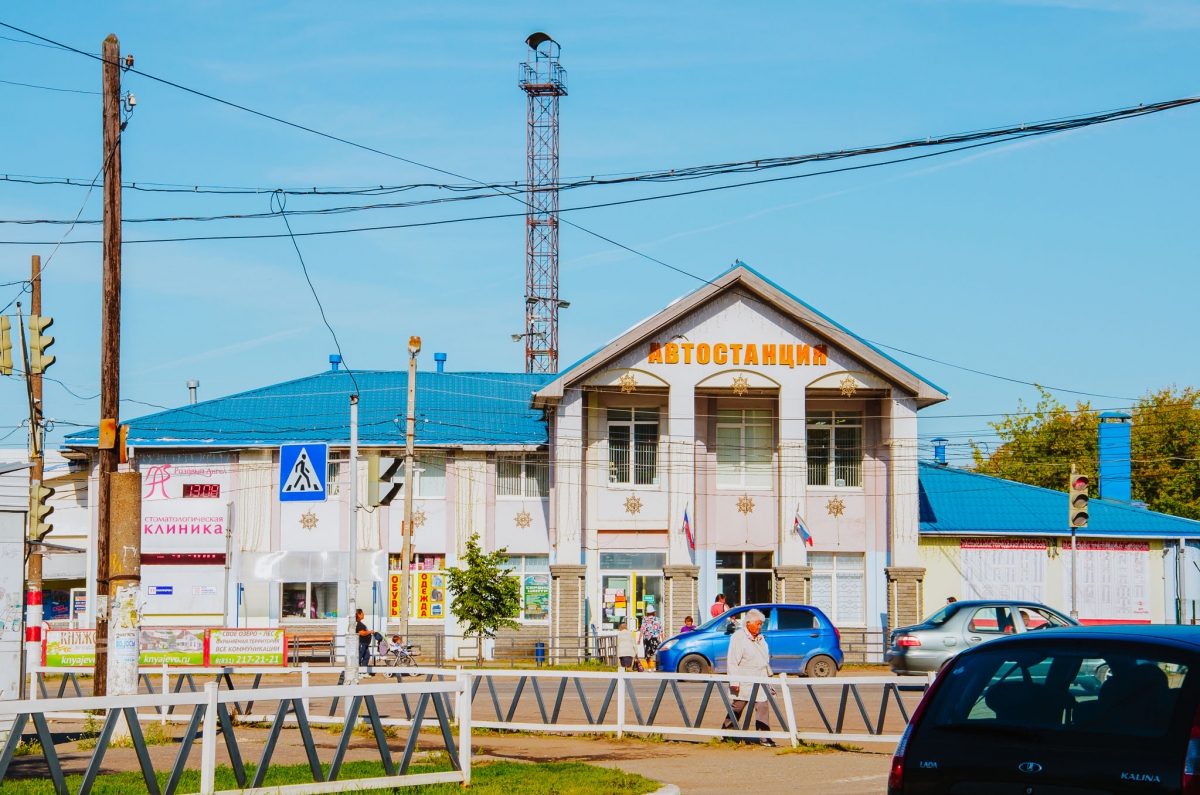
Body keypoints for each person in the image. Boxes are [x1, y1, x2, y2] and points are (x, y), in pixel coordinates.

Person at [722, 608, 775, 746]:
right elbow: (732, 661)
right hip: (744, 678)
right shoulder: (738, 637)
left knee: (762, 705)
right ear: (748, 623)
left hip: (760, 678)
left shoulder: (761, 638)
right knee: (738, 706)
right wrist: (734, 681)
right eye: (758, 624)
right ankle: (727, 731)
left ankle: (764, 736)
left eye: (761, 624)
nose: (760, 626)